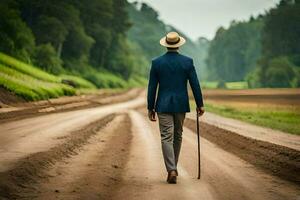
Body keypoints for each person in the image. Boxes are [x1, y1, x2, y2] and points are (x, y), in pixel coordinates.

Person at [147, 31, 205, 184]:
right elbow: (195, 85)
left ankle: (171, 169)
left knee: (166, 136)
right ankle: (173, 168)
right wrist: (200, 104)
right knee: (178, 135)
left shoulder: (157, 62)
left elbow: (152, 87)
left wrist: (150, 107)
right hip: (180, 104)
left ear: (166, 44)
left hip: (162, 105)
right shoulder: (187, 62)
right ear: (179, 44)